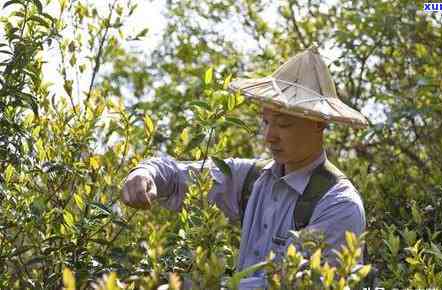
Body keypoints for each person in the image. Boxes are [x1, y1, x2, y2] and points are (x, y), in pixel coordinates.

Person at [121, 48, 369, 288]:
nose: (269, 136)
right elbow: (177, 176)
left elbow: (296, 284)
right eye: (265, 122)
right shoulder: (254, 179)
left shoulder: (339, 205)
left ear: (319, 124)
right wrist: (145, 174)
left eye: (284, 124)